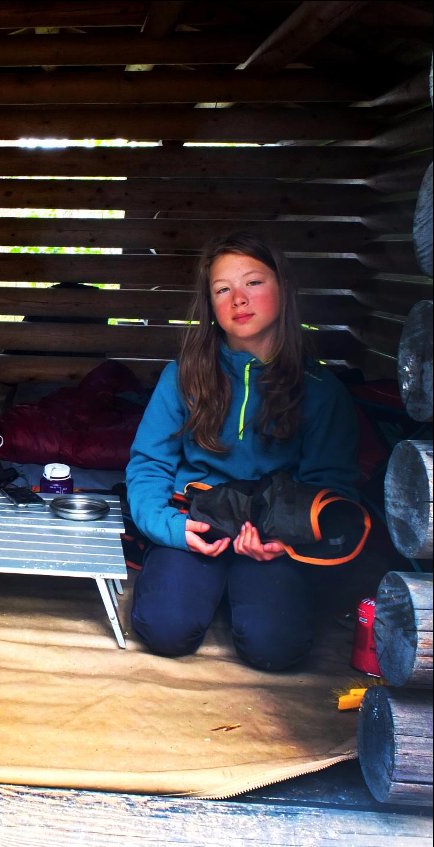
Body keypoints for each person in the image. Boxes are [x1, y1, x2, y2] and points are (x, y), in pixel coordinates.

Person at [125, 231, 360, 671]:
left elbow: (332, 488)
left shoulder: (322, 390)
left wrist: (285, 543)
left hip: (271, 535)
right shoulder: (182, 377)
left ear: (282, 290)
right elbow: (148, 465)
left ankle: (241, 590)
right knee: (166, 630)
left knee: (275, 648)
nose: (239, 299)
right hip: (196, 518)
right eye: (222, 289)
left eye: (253, 282)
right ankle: (205, 587)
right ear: (210, 305)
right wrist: (172, 529)